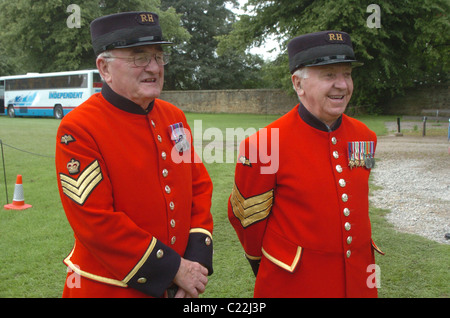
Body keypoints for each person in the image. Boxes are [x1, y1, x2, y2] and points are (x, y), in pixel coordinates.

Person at [55, 12, 214, 298]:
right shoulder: (79, 128)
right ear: (104, 68)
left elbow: (198, 187)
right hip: (108, 288)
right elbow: (95, 221)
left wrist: (196, 261)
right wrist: (174, 269)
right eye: (140, 57)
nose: (154, 67)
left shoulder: (173, 117)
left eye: (158, 56)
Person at [228, 30, 384, 298]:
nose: (342, 85)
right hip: (295, 283)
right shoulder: (265, 145)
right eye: (329, 75)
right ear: (298, 84)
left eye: (347, 74)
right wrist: (271, 263)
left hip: (359, 279)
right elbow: (248, 221)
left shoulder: (364, 137)